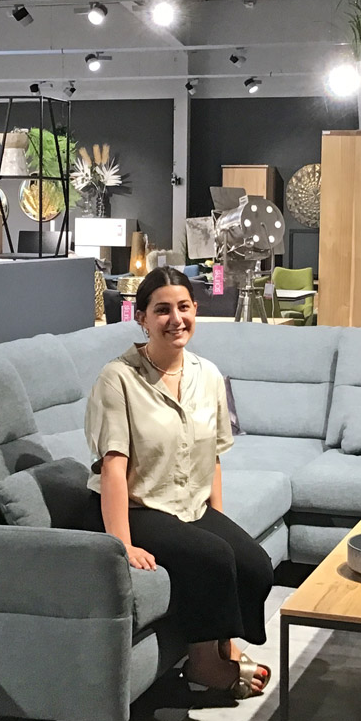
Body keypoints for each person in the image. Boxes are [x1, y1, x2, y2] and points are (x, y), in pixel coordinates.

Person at [83, 265, 273, 698]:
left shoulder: (208, 375)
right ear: (142, 318)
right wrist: (122, 543)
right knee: (211, 558)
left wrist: (219, 521)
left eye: (184, 307)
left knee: (254, 563)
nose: (176, 319)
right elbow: (113, 466)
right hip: (140, 506)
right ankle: (205, 665)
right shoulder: (118, 378)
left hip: (190, 505)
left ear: (195, 311)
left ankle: (224, 644)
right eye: (162, 310)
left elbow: (213, 458)